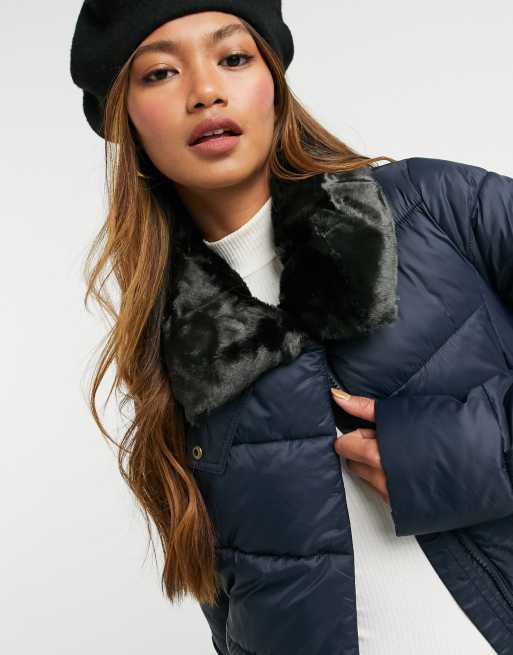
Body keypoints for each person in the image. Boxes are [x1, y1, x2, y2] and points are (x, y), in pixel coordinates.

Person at [69, 2, 513, 653]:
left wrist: (458, 454)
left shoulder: (436, 209)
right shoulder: (172, 351)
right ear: (125, 118)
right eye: (159, 73)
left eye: (233, 57)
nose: (205, 90)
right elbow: (235, 601)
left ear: (272, 80)